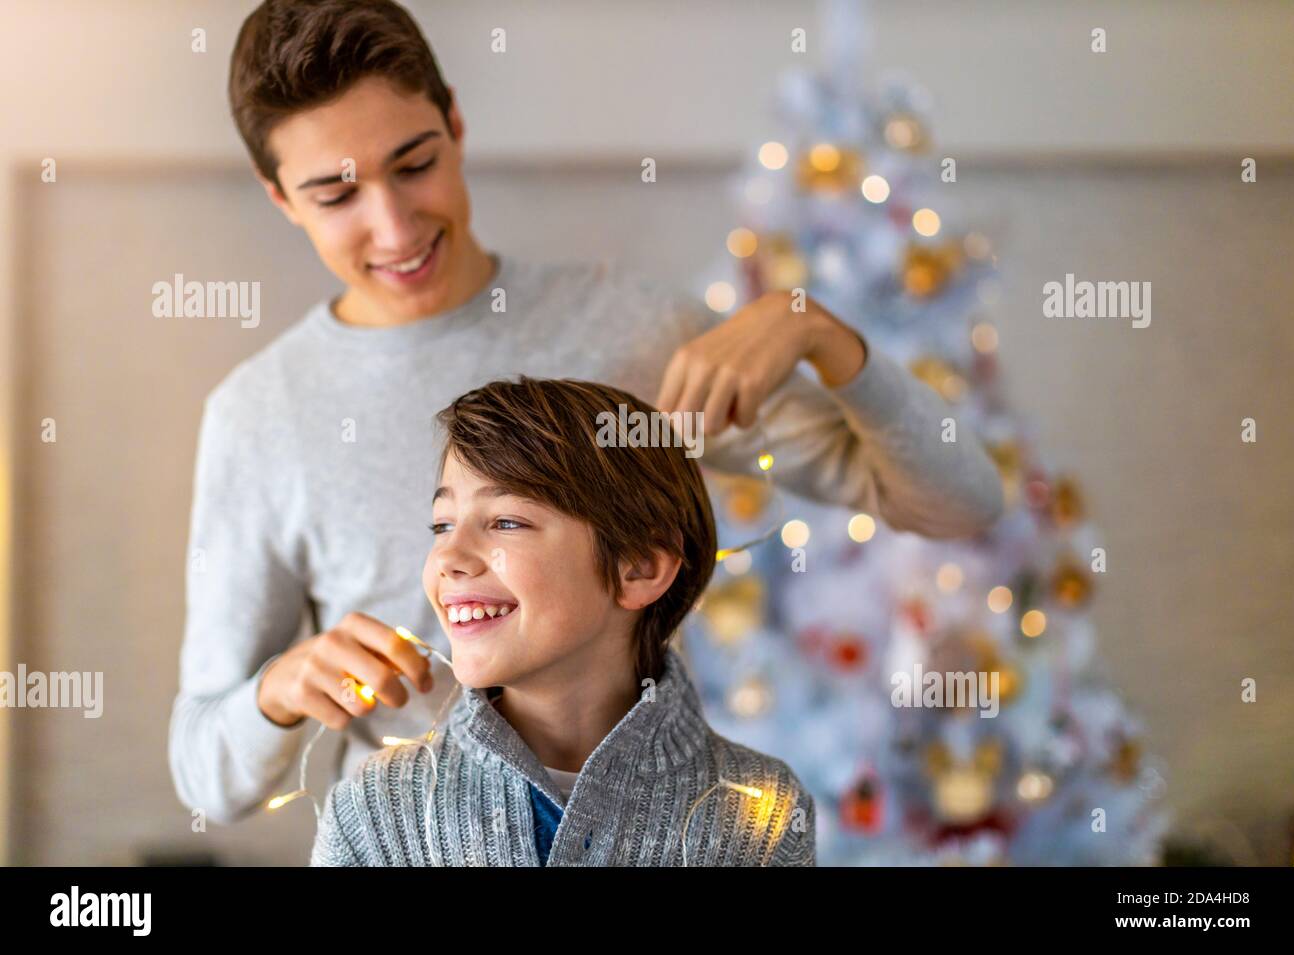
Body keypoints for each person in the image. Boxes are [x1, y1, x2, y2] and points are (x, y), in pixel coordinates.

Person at [168, 0, 1003, 827]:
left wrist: (820, 333)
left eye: (414, 164)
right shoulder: (259, 416)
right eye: (335, 195)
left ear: (456, 123)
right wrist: (277, 694)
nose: (393, 225)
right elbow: (208, 776)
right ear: (279, 197)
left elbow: (960, 501)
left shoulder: (634, 334)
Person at [311, 377, 815, 866]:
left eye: (506, 521)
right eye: (442, 525)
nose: (448, 556)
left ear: (640, 567)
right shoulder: (374, 811)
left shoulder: (763, 817)